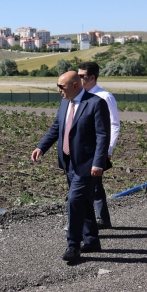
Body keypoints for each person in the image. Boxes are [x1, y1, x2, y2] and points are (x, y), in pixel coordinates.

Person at [31, 71, 110, 262]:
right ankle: (91, 241)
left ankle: (73, 245)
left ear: (75, 85)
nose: (59, 91)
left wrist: (98, 162)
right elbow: (57, 128)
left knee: (74, 202)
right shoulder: (66, 102)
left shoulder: (96, 103)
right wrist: (41, 147)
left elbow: (102, 135)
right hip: (69, 162)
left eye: (62, 87)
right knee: (83, 202)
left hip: (87, 164)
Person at [78, 61, 120, 229]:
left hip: (97, 150)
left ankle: (82, 224)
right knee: (95, 186)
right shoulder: (80, 95)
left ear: (92, 77)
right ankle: (103, 219)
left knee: (87, 187)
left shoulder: (105, 97)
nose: (78, 79)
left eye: (81, 76)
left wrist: (108, 149)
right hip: (85, 149)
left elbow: (114, 124)